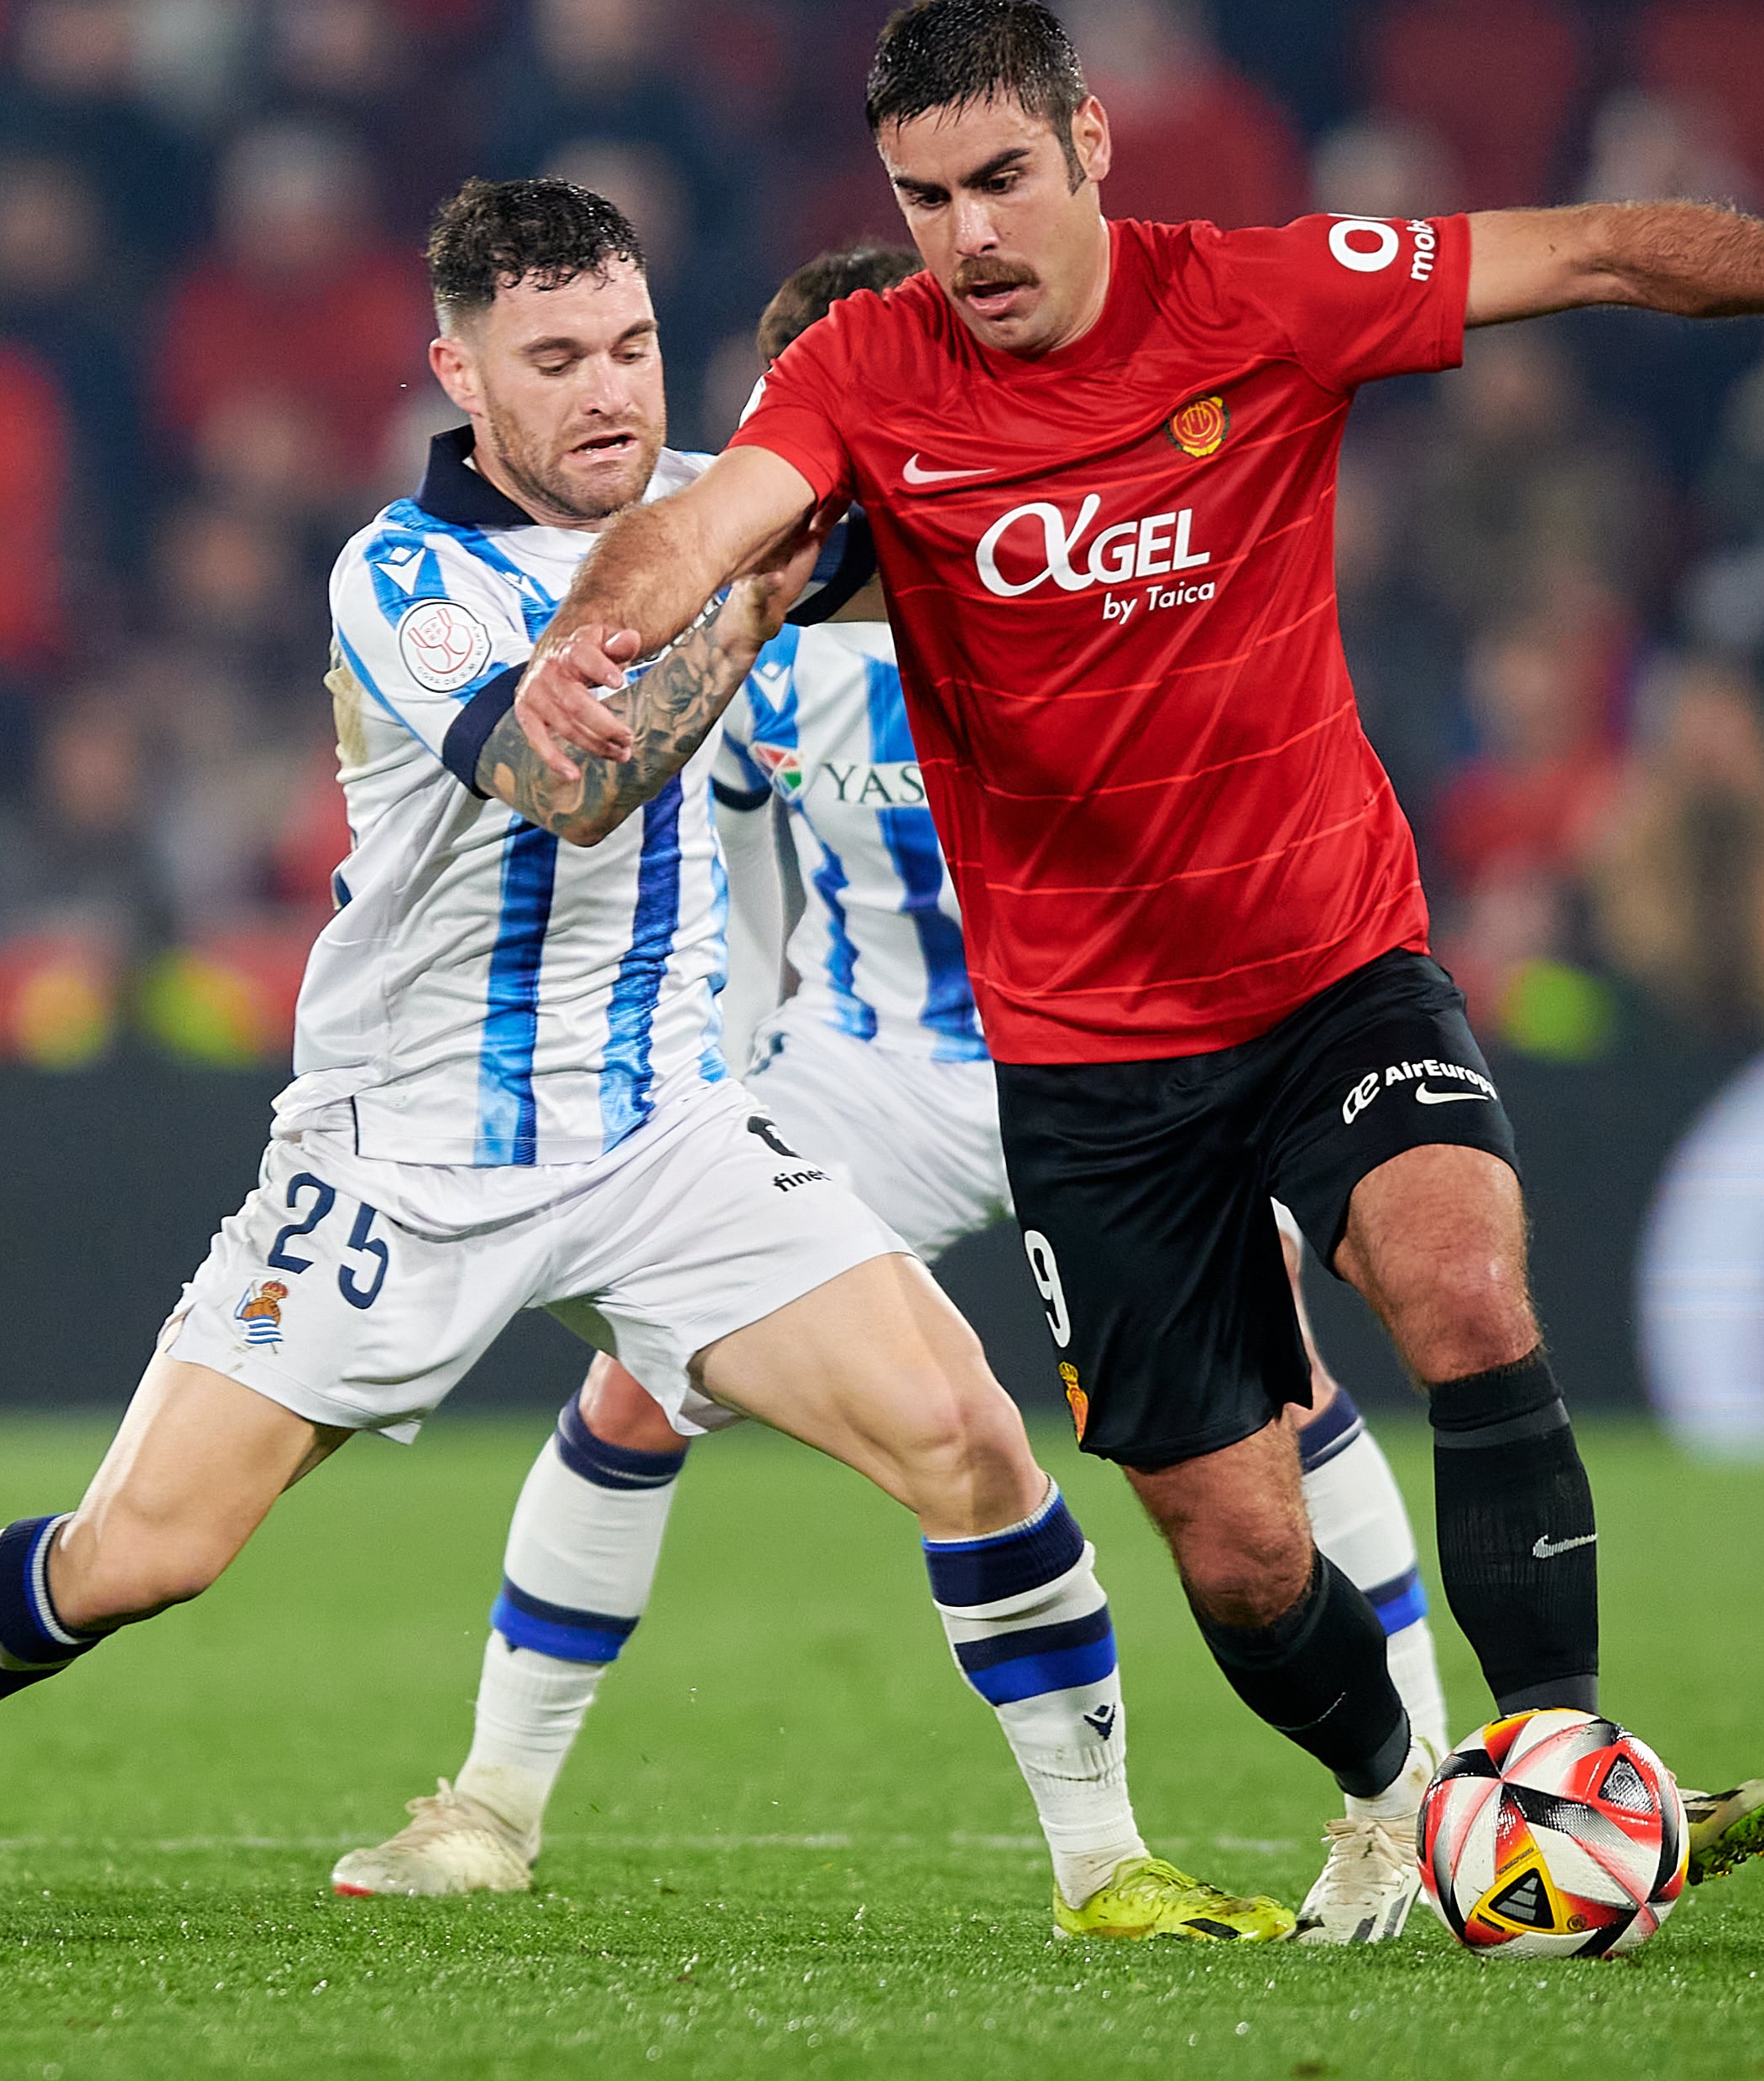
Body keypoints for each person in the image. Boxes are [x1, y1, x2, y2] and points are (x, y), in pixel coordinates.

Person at [514, 0, 1764, 1943]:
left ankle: (1556, 1762)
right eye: (922, 197)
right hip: (1083, 1056)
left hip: (1325, 960)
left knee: (1458, 1277)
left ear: (1089, 151)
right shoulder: (867, 375)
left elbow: (1592, 247)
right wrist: (587, 634)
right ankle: (1401, 1797)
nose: (967, 236)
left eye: (999, 180)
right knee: (1234, 1550)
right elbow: (697, 533)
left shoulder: (1255, 295)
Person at [0, 179, 1285, 1948]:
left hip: (666, 1135)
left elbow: (983, 557)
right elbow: (572, 783)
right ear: (462, 373)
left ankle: (1101, 1868)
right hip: (408, 1156)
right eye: (555, 360)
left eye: (629, 348)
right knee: (142, 1551)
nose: (608, 392)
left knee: (972, 1441)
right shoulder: (406, 575)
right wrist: (753, 608)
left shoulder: (711, 504)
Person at [330, 244, 1449, 1904]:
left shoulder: (1036, 583)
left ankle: (1428, 1792)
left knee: (1271, 1376)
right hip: (871, 1070)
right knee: (641, 1383)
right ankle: (489, 1801)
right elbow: (720, 887)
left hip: (1095, 1047)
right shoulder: (740, 633)